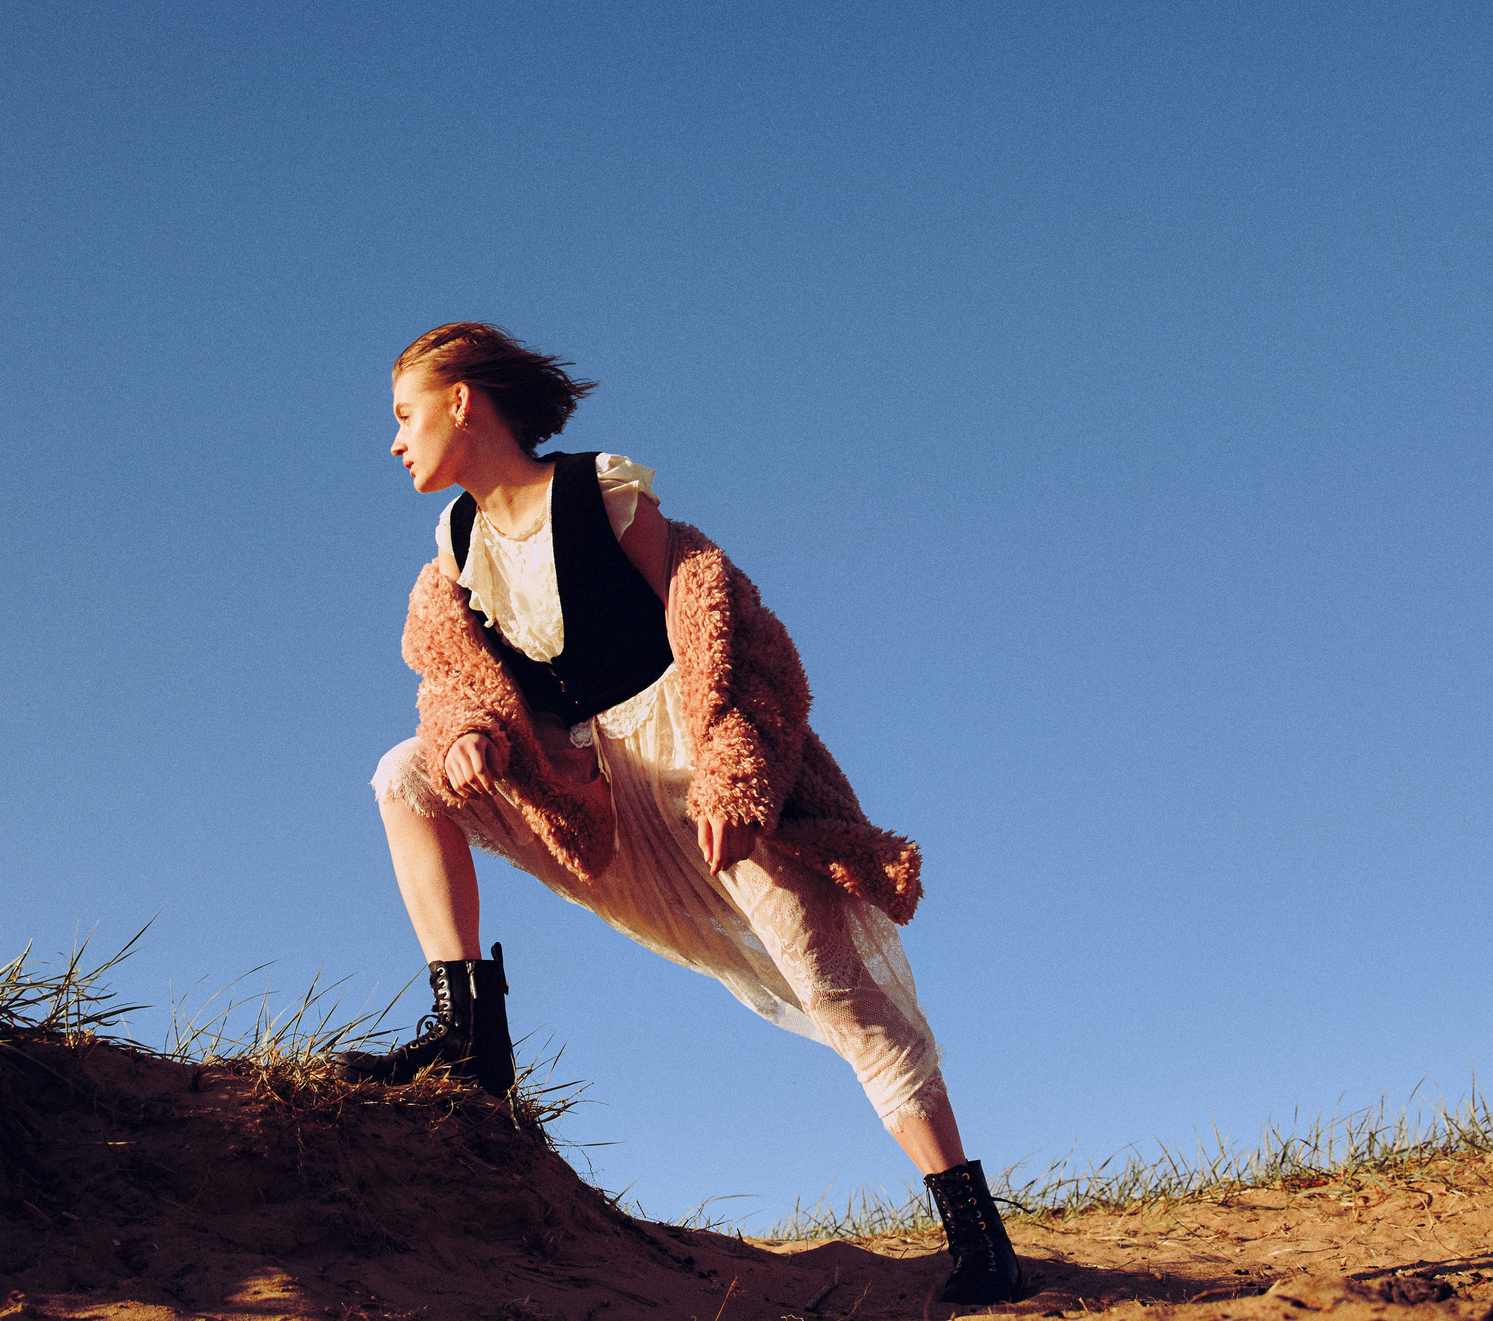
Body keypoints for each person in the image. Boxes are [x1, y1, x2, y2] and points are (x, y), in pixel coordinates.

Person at [340, 322, 1025, 1305]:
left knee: (834, 986)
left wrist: (734, 773)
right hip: (592, 794)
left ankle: (977, 1238)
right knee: (403, 774)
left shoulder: (598, 494)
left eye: (404, 414)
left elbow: (723, 625)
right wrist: (475, 734)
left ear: (463, 400)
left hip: (699, 766)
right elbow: (461, 676)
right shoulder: (455, 546)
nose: (395, 440)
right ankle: (466, 1029)